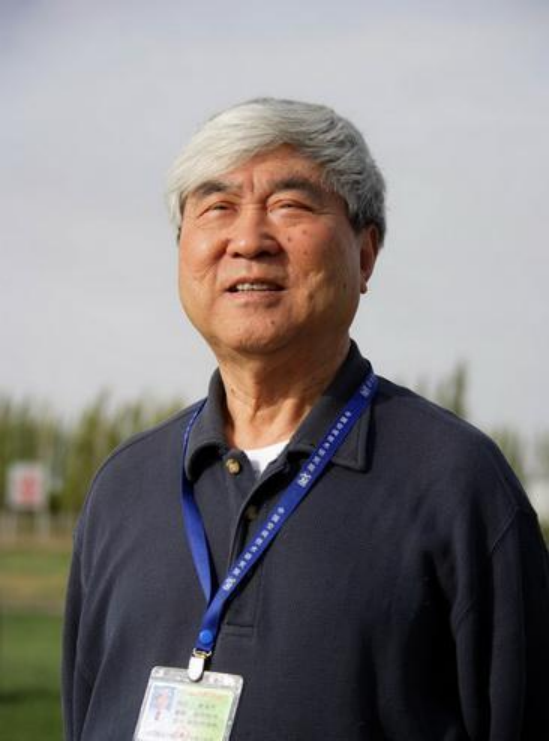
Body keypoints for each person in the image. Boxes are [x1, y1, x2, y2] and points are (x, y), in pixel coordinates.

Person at [62, 98, 549, 740]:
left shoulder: (458, 483)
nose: (248, 241)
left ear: (365, 254)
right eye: (217, 207)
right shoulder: (124, 486)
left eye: (289, 205)